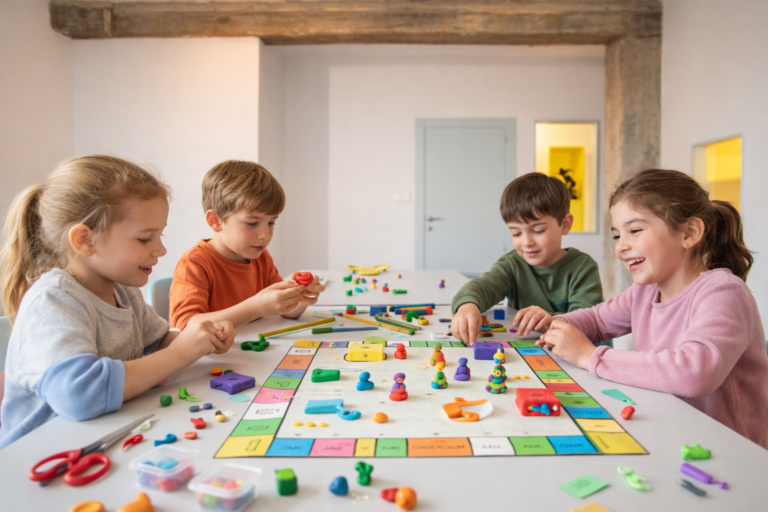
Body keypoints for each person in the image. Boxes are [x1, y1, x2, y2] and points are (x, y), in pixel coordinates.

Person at [0, 155, 235, 449]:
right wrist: (182, 353)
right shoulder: (53, 300)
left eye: (159, 235)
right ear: (85, 240)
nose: (160, 249)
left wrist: (198, 339)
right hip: (39, 459)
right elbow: (80, 395)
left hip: (104, 440)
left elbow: (156, 343)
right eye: (144, 239)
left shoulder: (123, 290)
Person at [538, 168, 768, 448]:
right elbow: (597, 319)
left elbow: (695, 373)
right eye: (616, 235)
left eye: (634, 230)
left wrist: (590, 357)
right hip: (671, 432)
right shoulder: (645, 291)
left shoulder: (723, 292)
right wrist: (555, 325)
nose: (621, 246)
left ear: (689, 232)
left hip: (729, 450)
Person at [169, 161, 324, 330]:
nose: (265, 235)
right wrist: (255, 308)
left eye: (271, 223)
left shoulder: (260, 257)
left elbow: (285, 312)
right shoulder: (194, 263)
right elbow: (184, 326)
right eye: (252, 223)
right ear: (215, 221)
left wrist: (299, 300)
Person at [451, 173, 603, 344]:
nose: (526, 242)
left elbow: (588, 323)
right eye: (516, 233)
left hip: (572, 354)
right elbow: (482, 286)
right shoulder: (512, 264)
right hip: (525, 351)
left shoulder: (583, 267)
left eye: (538, 231)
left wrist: (550, 320)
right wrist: (467, 305)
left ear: (565, 224)